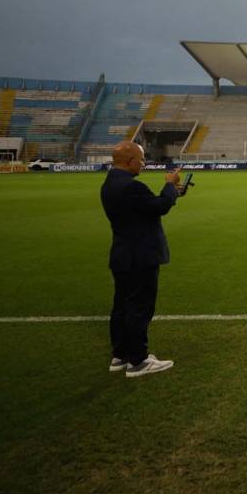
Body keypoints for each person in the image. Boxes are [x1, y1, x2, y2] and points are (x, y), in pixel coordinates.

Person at [100, 140, 181, 378]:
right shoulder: (131, 187)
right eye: (142, 159)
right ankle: (138, 360)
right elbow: (158, 207)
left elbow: (142, 209)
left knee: (122, 307)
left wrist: (172, 193)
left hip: (123, 254)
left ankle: (120, 355)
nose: (144, 164)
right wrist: (169, 186)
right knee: (139, 308)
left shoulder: (110, 184)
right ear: (130, 161)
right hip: (140, 255)